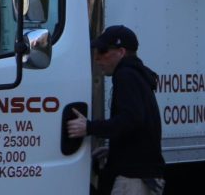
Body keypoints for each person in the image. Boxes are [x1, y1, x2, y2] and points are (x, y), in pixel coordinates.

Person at [66, 25, 164, 195]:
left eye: (102, 51)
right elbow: (141, 127)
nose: (97, 58)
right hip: (143, 175)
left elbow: (131, 119)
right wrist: (117, 149)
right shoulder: (138, 76)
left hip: (133, 179)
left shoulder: (125, 75)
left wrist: (89, 127)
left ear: (121, 52)